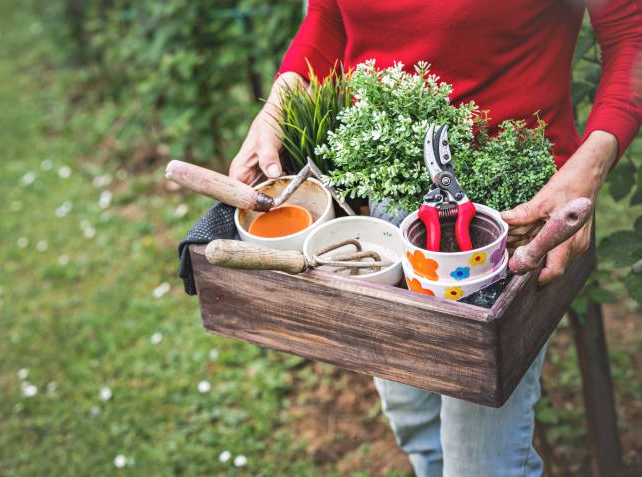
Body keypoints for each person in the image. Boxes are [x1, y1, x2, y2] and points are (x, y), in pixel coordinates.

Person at [228, 1, 641, 475]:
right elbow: (328, 19)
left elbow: (633, 36)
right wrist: (278, 106)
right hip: (382, 185)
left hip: (516, 211)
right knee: (412, 411)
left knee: (482, 462)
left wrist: (586, 172)